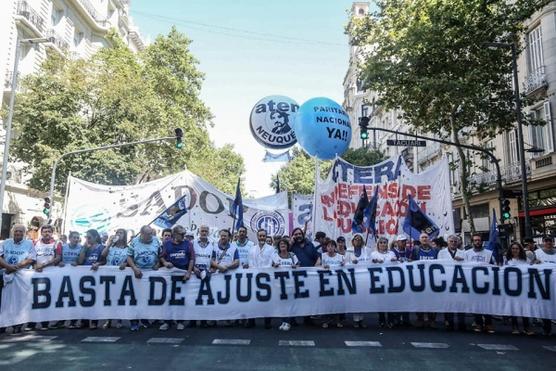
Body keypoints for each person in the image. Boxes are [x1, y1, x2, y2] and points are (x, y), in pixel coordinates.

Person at [0, 224, 36, 334]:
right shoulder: (5, 243)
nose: (18, 233)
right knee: (3, 301)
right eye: (16, 231)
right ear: (13, 232)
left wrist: (16, 267)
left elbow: (31, 259)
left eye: (20, 231)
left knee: (19, 301)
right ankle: (2, 324)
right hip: (6, 274)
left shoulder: (29, 244)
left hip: (21, 276)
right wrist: (8, 267)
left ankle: (17, 324)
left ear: (24, 233)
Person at [159, 225, 195, 331]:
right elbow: (161, 256)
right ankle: (167, 322)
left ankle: (180, 321)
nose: (183, 237)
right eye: (181, 235)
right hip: (169, 276)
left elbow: (192, 259)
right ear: (174, 234)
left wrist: (188, 272)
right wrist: (165, 263)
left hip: (182, 275)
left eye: (184, 235)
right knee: (168, 298)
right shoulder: (167, 244)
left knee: (181, 299)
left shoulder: (188, 244)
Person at [127, 225, 161, 332]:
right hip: (138, 273)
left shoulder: (156, 241)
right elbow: (129, 256)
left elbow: (161, 255)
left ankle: (145, 318)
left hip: (151, 274)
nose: (151, 235)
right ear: (141, 233)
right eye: (148, 234)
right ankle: (134, 321)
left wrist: (158, 264)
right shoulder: (134, 242)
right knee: (135, 298)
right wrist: (134, 268)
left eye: (151, 233)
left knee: (147, 298)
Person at [465, 233, 495, 334]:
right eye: (475, 240)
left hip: (486, 282)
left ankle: (488, 323)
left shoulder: (489, 253)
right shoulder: (467, 254)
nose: (477, 242)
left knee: (487, 304)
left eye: (479, 240)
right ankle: (478, 323)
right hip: (473, 282)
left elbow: (494, 266)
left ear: (482, 242)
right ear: (472, 242)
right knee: (476, 304)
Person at [99, 229, 129, 329]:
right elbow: (103, 255)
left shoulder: (127, 249)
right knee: (109, 299)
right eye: (117, 233)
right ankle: (108, 319)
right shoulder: (111, 247)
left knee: (120, 298)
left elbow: (129, 260)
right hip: (109, 276)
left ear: (124, 236)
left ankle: (119, 319)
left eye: (121, 233)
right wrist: (109, 244)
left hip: (120, 277)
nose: (118, 234)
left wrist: (125, 264)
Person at [245, 228, 275, 328]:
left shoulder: (271, 249)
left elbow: (274, 262)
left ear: (266, 237)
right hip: (254, 277)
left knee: (267, 300)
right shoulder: (252, 249)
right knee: (253, 300)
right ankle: (251, 321)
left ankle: (267, 322)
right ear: (257, 236)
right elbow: (250, 263)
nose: (262, 237)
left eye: (263, 236)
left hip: (267, 278)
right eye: (260, 236)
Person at [76, 229, 105, 329]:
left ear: (96, 237)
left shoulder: (101, 247)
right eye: (86, 237)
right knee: (84, 298)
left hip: (96, 276)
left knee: (94, 299)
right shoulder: (85, 247)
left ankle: (94, 321)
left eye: (89, 237)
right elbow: (80, 261)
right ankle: (84, 320)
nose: (87, 239)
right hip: (85, 276)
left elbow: (104, 261)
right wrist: (84, 248)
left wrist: (98, 263)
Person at [504, 242, 534, 336]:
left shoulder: (526, 260)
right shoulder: (507, 261)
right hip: (512, 287)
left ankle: (526, 327)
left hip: (524, 287)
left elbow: (532, 270)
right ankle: (515, 326)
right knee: (514, 307)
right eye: (513, 248)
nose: (515, 250)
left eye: (517, 248)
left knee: (524, 307)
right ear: (510, 250)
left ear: (520, 250)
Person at [211, 229, 240, 327]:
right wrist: (220, 267)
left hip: (229, 277)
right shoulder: (214, 247)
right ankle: (214, 318)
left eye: (225, 236)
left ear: (229, 237)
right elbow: (211, 261)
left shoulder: (234, 247)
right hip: (216, 276)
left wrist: (226, 267)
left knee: (229, 298)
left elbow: (236, 262)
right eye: (222, 235)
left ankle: (228, 318)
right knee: (215, 297)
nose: (223, 237)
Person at [438, 235, 466, 331]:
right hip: (447, 280)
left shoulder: (463, 253)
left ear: (458, 242)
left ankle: (461, 323)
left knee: (460, 302)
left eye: (455, 241)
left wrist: (462, 261)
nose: (453, 243)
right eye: (451, 241)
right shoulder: (441, 253)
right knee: (449, 302)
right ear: (447, 242)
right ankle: (449, 322)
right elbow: (439, 265)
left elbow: (468, 266)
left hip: (460, 280)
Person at [316, 239, 345, 328]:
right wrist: (322, 266)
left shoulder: (340, 257)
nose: (330, 248)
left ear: (335, 247)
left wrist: (344, 264)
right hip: (326, 283)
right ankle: (325, 321)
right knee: (326, 302)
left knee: (337, 302)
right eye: (328, 246)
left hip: (337, 282)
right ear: (326, 247)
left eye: (332, 246)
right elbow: (315, 266)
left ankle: (338, 321)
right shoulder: (322, 256)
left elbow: (347, 267)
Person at [412, 233, 439, 328]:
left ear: (429, 239)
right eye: (422, 237)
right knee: (419, 299)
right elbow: (412, 263)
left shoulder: (435, 250)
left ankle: (432, 319)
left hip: (432, 279)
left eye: (426, 237)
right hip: (419, 278)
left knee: (432, 300)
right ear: (419, 239)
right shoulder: (416, 249)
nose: (424, 239)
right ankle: (420, 318)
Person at [344, 233, 371, 328]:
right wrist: (351, 263)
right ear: (352, 241)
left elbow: (370, 262)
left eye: (359, 239)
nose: (358, 241)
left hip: (364, 279)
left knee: (363, 299)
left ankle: (361, 319)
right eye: (356, 239)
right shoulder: (348, 251)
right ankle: (356, 320)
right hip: (353, 279)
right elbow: (345, 264)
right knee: (355, 300)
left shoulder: (366, 250)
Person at [272, 238, 299, 331]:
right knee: (281, 304)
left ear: (287, 245)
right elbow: (271, 268)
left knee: (289, 303)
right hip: (279, 284)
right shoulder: (275, 256)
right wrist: (274, 266)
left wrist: (296, 266)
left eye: (284, 243)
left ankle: (288, 322)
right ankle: (283, 321)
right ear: (279, 247)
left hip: (291, 283)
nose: (282, 245)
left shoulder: (292, 255)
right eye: (281, 244)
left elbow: (299, 265)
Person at [371, 237, 397, 328]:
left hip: (390, 280)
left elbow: (395, 262)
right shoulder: (373, 254)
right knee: (380, 302)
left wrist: (394, 260)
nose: (383, 244)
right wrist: (374, 261)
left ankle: (390, 320)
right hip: (379, 281)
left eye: (384, 242)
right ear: (378, 244)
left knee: (390, 301)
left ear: (387, 244)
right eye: (381, 242)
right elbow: (370, 265)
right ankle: (381, 319)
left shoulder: (392, 253)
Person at [533, 235, 556, 336]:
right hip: (543, 285)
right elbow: (530, 266)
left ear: (553, 242)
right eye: (546, 241)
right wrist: (535, 263)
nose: (548, 243)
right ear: (543, 242)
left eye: (550, 241)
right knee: (545, 306)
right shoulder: (537, 253)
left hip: (555, 284)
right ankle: (547, 328)